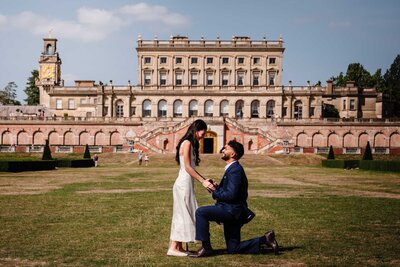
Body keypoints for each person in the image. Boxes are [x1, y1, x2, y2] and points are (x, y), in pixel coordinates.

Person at [191, 140, 279, 257]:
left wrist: (215, 192)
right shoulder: (233, 169)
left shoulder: (235, 170)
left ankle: (206, 248)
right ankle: (265, 239)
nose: (222, 150)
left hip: (231, 211)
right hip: (233, 210)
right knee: (233, 248)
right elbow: (231, 191)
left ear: (233, 154)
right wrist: (218, 187)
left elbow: (231, 195)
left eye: (226, 149)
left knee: (201, 212)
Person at [168, 119, 216, 257]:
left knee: (185, 213)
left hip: (187, 183)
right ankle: (173, 247)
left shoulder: (191, 144)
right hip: (183, 184)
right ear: (196, 130)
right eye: (203, 132)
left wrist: (205, 180)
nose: (204, 135)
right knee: (182, 214)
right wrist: (202, 181)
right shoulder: (187, 143)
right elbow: (188, 168)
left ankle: (179, 247)